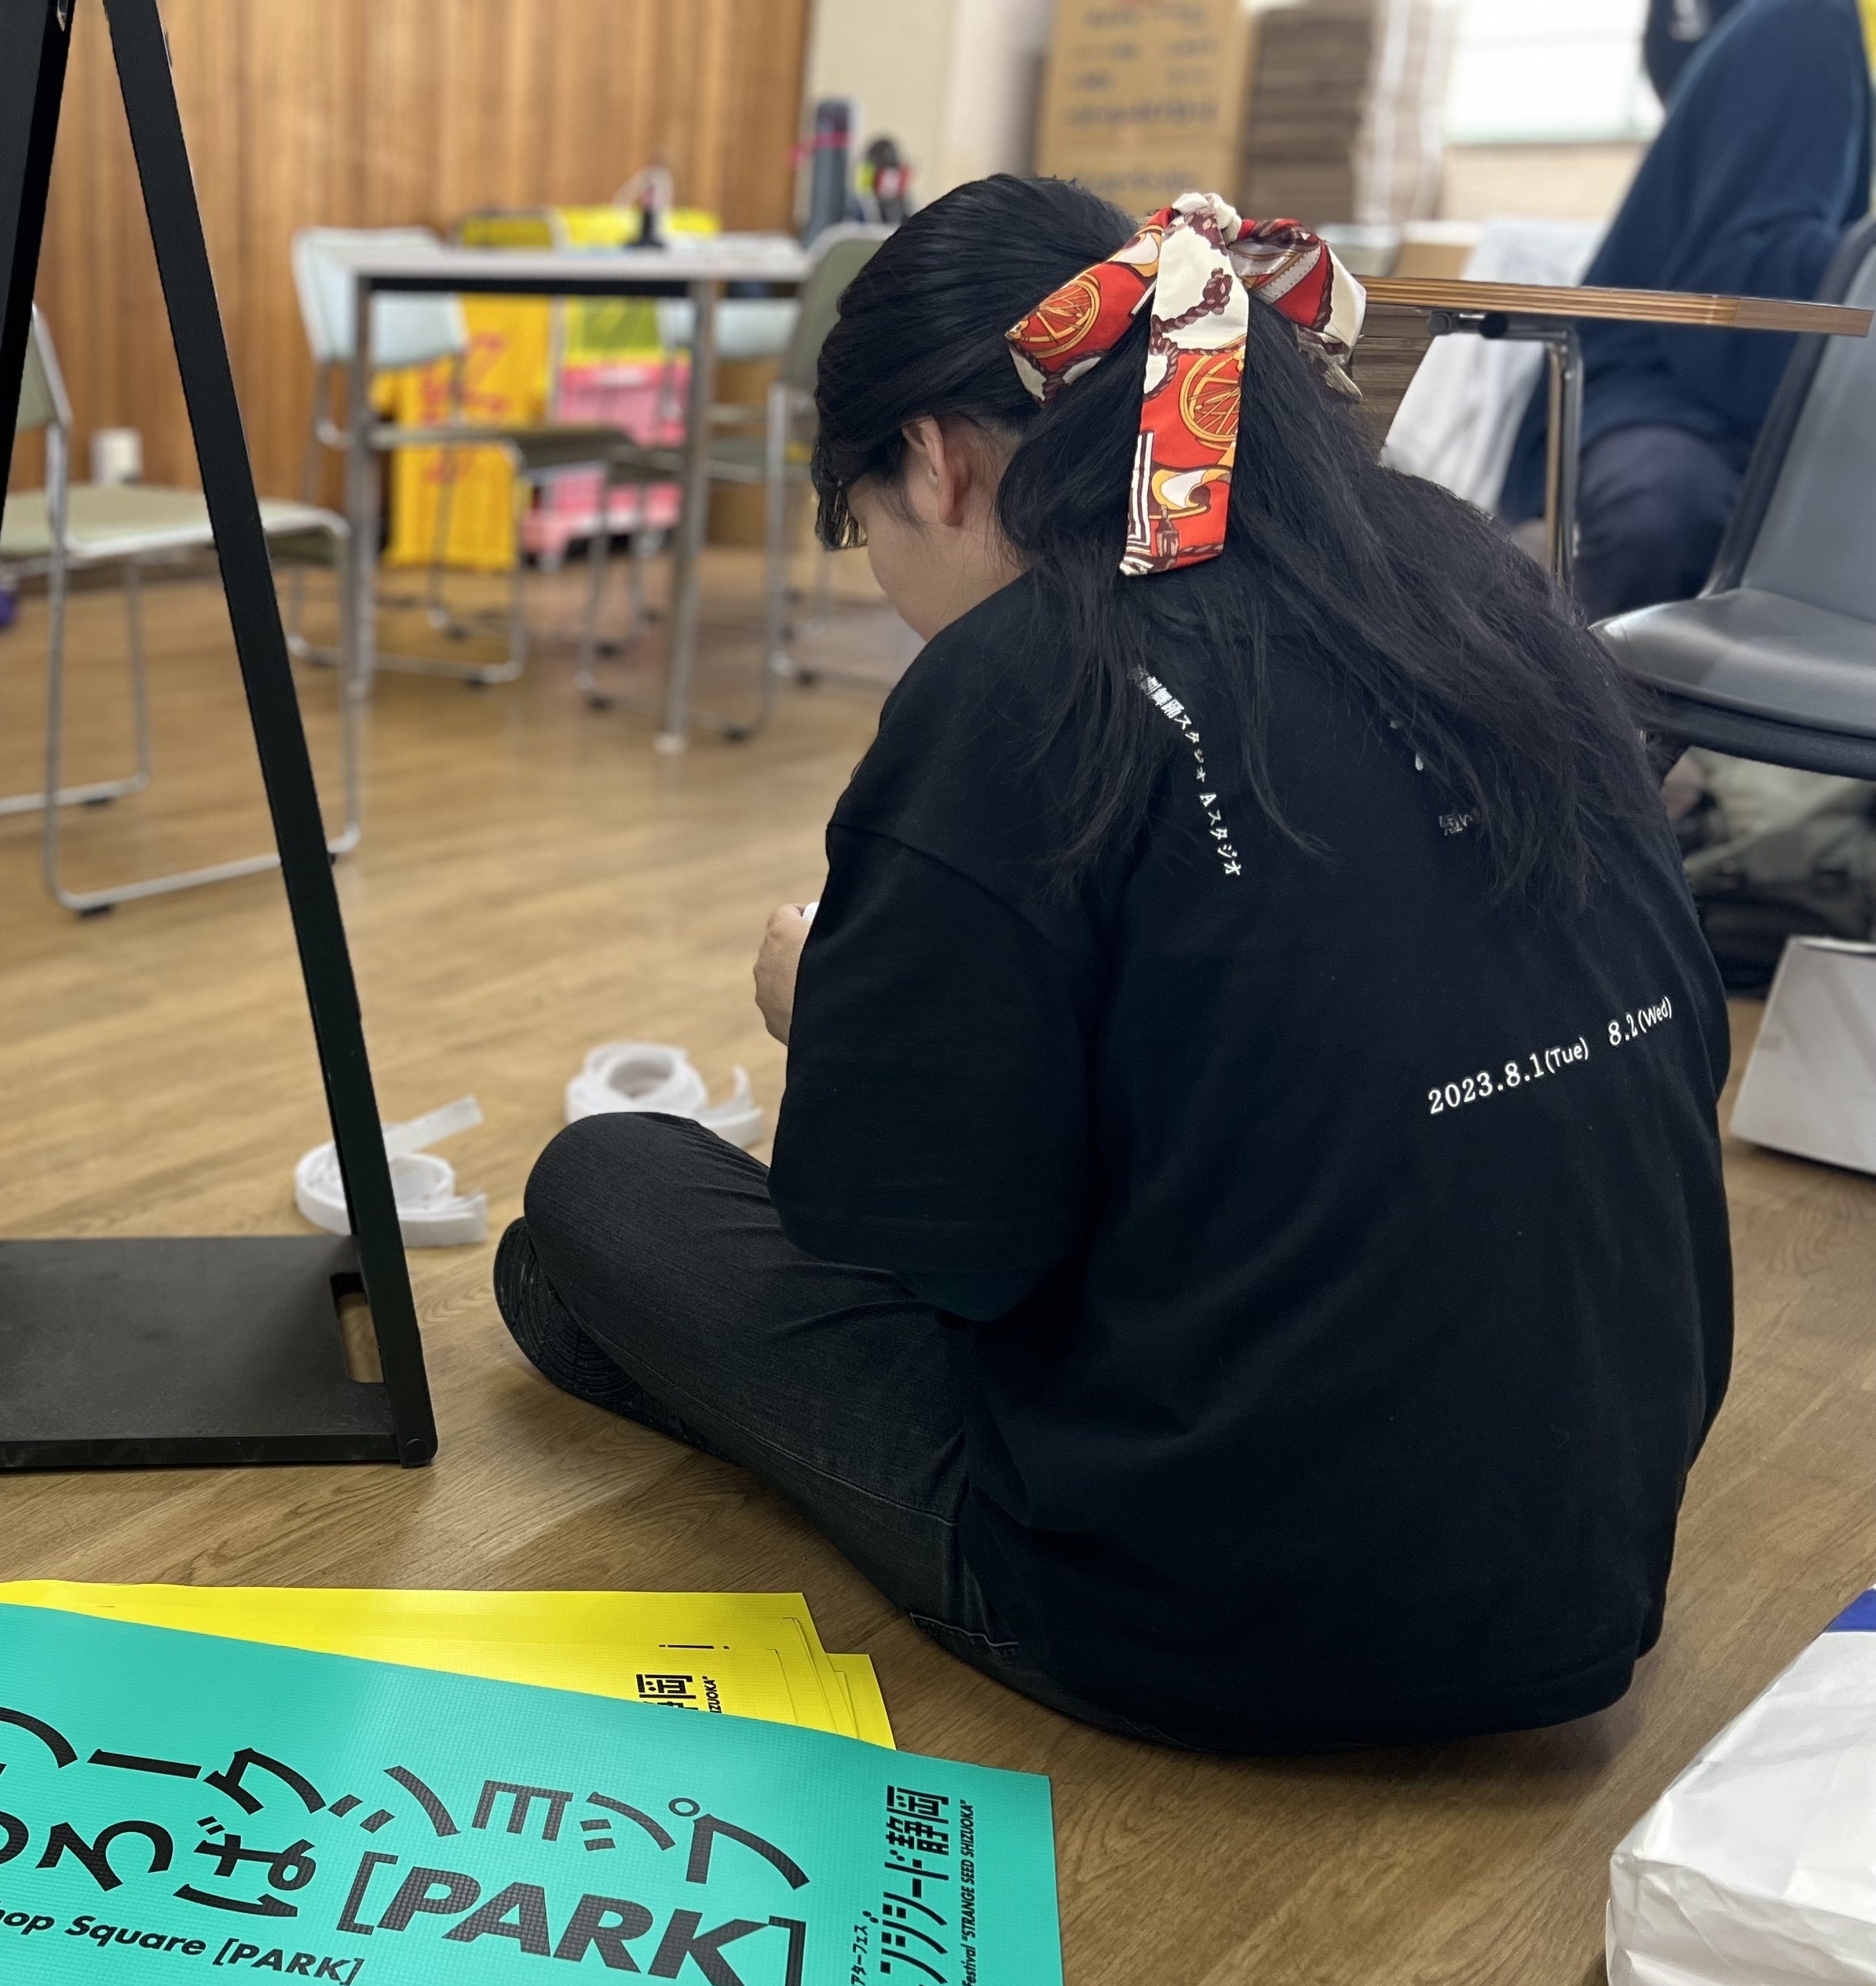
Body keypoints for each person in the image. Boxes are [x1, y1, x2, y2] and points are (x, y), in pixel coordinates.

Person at [496, 177, 1732, 1755]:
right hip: (1592, 1548)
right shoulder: (1477, 586)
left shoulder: (1032, 676)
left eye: (866, 524)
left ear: (935, 460)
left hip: (1204, 1600)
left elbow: (947, 1259)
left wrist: (840, 1026)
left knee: (596, 1198)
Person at [1501, 0, 1872, 618]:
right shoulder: (1808, 25)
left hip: (1754, 398)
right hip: (1661, 387)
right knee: (1664, 508)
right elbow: (1744, 286)